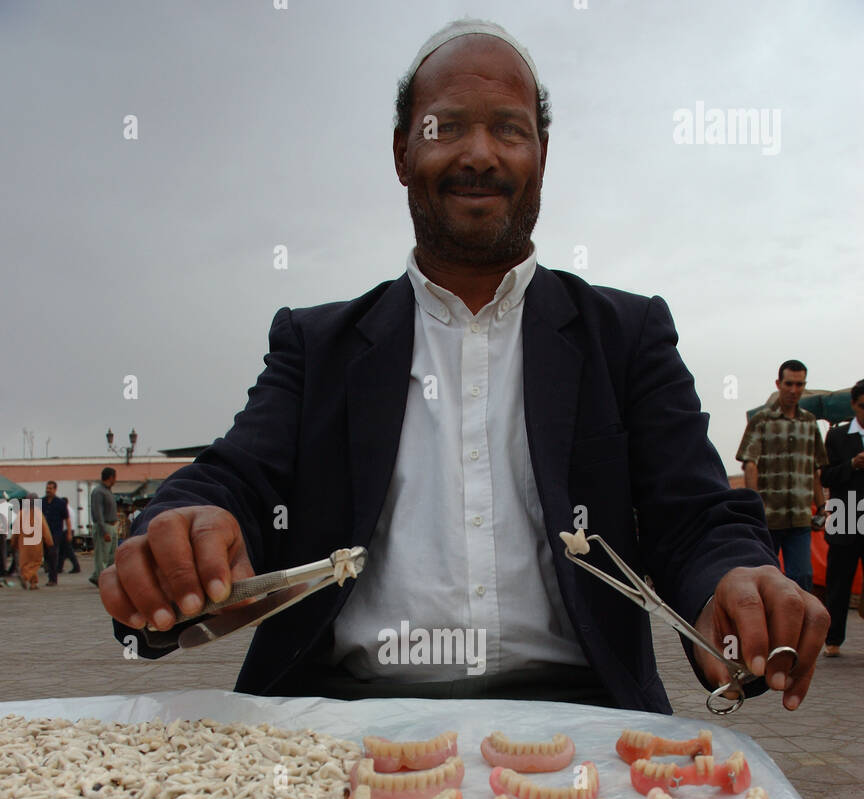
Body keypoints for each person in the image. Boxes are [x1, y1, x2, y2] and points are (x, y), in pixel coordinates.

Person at [99, 19, 828, 712]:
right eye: (445, 126)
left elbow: (694, 515)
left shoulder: (625, 336)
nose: (479, 153)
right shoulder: (316, 344)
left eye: (508, 129)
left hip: (581, 715)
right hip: (339, 714)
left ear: (541, 153)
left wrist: (735, 580)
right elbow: (240, 479)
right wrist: (184, 527)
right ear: (400, 153)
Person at [736, 361, 827, 593]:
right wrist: (754, 506)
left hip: (799, 518)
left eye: (799, 384)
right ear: (779, 384)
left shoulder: (809, 423)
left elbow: (815, 468)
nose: (794, 390)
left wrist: (822, 506)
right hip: (768, 518)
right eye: (789, 384)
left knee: (802, 578)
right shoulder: (762, 421)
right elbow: (750, 464)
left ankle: (796, 629)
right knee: (765, 578)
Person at [821, 378, 864, 656]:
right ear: (853, 405)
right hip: (845, 516)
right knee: (838, 583)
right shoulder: (836, 436)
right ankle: (833, 640)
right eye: (863, 406)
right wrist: (851, 464)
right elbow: (825, 475)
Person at [41, 480, 79, 583]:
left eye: (50, 488)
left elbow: (67, 519)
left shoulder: (60, 503)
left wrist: (69, 533)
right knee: (46, 555)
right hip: (43, 533)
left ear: (55, 489)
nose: (48, 490)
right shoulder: (41, 502)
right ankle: (49, 572)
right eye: (47, 488)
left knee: (53, 554)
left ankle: (53, 579)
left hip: (56, 533)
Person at [12, 495, 53, 589]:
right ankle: (25, 577)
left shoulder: (21, 514)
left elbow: (16, 531)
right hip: (36, 544)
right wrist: (49, 542)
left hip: (24, 545)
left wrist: (13, 542)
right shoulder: (38, 514)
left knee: (25, 564)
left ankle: (33, 583)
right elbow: (45, 529)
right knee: (35, 563)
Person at [89, 467, 118, 585]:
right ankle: (101, 579)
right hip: (104, 526)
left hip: (112, 526)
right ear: (111, 477)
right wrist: (103, 531)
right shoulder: (99, 492)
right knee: (102, 557)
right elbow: (98, 512)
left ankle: (101, 577)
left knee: (111, 556)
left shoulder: (108, 491)